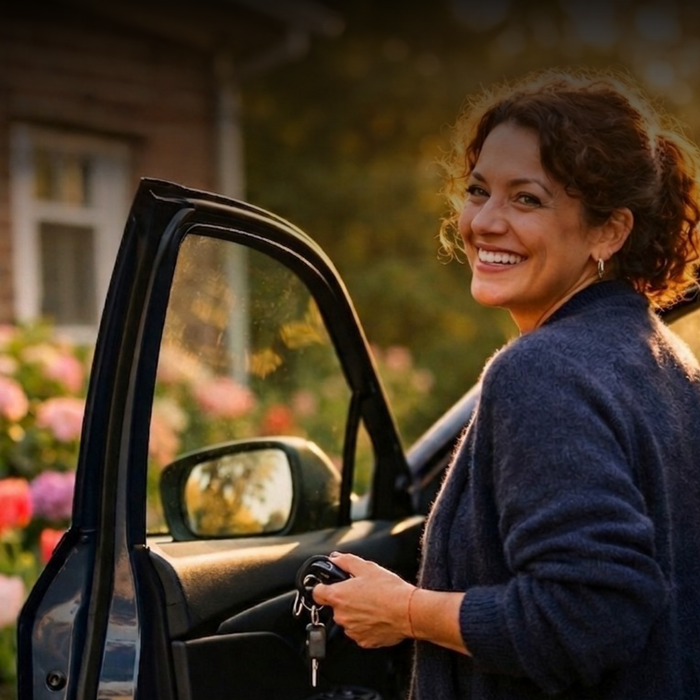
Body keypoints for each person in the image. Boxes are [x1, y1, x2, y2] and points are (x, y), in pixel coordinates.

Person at [312, 67, 700, 699]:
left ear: (609, 231)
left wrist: (407, 611)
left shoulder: (543, 371)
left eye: (527, 199)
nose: (485, 222)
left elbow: (587, 617)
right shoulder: (668, 363)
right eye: (478, 191)